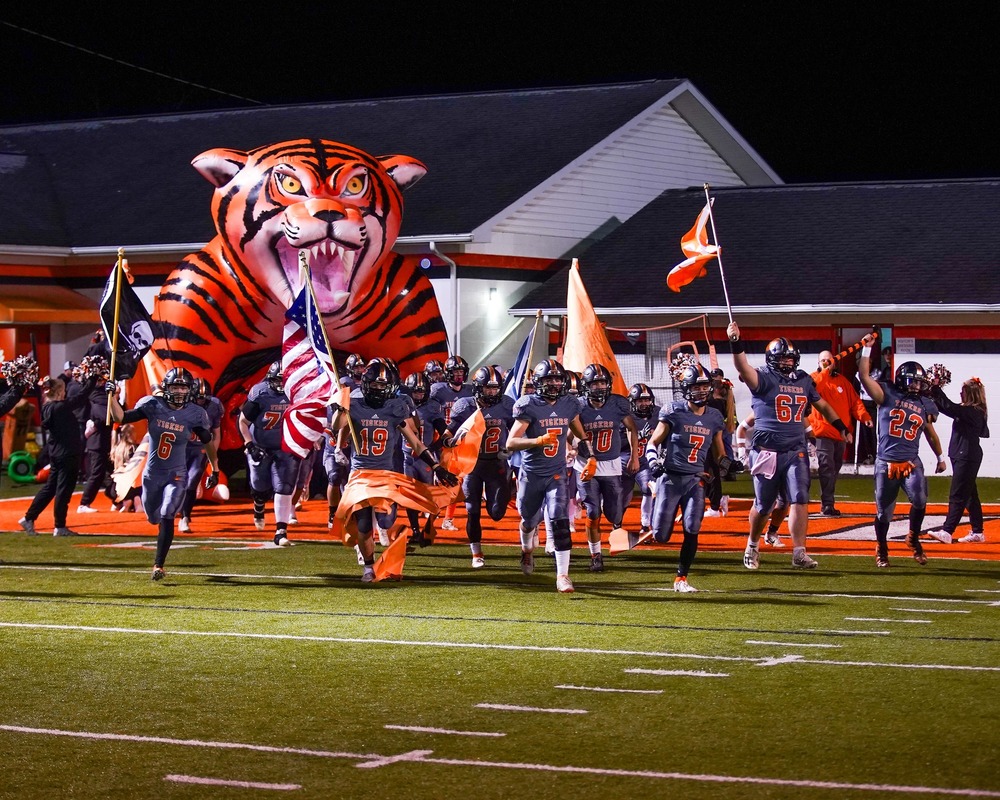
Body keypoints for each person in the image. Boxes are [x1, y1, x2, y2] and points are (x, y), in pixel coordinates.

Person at [727, 322, 854, 571]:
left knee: (800, 499)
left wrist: (840, 425)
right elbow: (742, 366)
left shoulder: (803, 380)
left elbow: (823, 405)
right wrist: (735, 341)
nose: (787, 362)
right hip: (766, 450)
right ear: (772, 359)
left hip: (796, 449)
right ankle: (752, 544)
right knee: (764, 505)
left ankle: (799, 552)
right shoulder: (763, 377)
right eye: (783, 358)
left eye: (790, 358)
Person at [329, 359, 458, 581]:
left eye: (383, 385)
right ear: (366, 384)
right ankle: (369, 567)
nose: (379, 389)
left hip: (385, 475)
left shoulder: (395, 408)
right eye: (375, 385)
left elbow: (416, 443)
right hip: (360, 475)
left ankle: (399, 538)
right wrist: (341, 407)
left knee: (386, 521)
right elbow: (336, 426)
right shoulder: (354, 405)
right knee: (363, 526)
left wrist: (436, 467)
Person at [107, 367, 219, 579]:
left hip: (176, 474)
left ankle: (158, 565)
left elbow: (208, 441)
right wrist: (112, 397)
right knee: (153, 518)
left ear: (190, 389)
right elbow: (120, 417)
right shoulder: (152, 405)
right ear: (166, 387)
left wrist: (215, 467)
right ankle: (159, 550)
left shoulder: (195, 413)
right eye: (175, 387)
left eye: (183, 387)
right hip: (152, 475)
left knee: (168, 513)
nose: (179, 391)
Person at [628, 363, 728, 592]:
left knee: (692, 527)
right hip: (670, 479)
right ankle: (656, 505)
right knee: (661, 535)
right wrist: (653, 462)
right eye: (696, 387)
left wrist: (729, 464)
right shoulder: (673, 411)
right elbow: (652, 442)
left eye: (704, 386)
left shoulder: (714, 416)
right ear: (686, 388)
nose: (701, 391)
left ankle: (681, 578)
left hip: (695, 480)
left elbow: (719, 453)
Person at [506, 359, 593, 594]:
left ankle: (562, 575)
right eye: (549, 379)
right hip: (531, 474)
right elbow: (511, 442)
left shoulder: (569, 404)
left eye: (557, 379)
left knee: (559, 519)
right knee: (529, 521)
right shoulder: (528, 405)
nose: (554, 383)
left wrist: (591, 456)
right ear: (538, 382)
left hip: (556, 472)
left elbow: (580, 433)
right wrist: (537, 441)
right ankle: (527, 551)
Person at [858, 342, 946, 567]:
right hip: (886, 463)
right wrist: (867, 349)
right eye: (913, 381)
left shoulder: (924, 403)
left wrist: (940, 457)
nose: (917, 385)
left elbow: (930, 433)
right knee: (884, 513)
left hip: (911, 462)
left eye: (919, 381)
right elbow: (864, 375)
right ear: (902, 379)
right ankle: (882, 547)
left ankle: (913, 538)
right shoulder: (886, 393)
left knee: (920, 500)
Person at [447, 365, 516, 568]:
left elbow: (517, 431)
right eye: (488, 388)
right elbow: (450, 430)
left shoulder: (506, 404)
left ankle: (491, 496)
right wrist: (447, 440)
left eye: (495, 388)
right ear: (478, 387)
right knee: (472, 510)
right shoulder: (465, 405)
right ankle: (476, 553)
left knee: (497, 513)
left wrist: (510, 448)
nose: (492, 392)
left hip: (496, 463)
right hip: (473, 465)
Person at [573, 363, 639, 571]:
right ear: (586, 385)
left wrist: (635, 456)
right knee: (593, 512)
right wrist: (569, 448)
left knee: (614, 515)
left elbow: (632, 428)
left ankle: (615, 528)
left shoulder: (618, 404)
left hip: (612, 465)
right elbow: (568, 432)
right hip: (586, 465)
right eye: (595, 383)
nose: (600, 387)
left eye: (603, 383)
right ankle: (596, 555)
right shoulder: (578, 406)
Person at [18, 369, 97, 536]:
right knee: (63, 490)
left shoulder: (47, 408)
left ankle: (29, 518)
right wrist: (93, 377)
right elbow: (81, 397)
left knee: (50, 488)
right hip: (67, 453)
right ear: (60, 391)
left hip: (56, 453)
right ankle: (59, 526)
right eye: (64, 390)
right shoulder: (60, 407)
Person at [238, 361, 299, 546]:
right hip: (261, 446)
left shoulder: (296, 392)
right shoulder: (261, 393)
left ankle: (281, 531)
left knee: (284, 486)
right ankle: (258, 504)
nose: (281, 384)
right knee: (260, 486)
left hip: (284, 446)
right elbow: (243, 421)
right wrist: (250, 445)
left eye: (284, 380)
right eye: (278, 380)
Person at [807, 349, 873, 517]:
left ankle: (827, 500)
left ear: (834, 362)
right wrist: (824, 372)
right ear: (818, 362)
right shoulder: (814, 378)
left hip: (841, 433)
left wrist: (864, 416)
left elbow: (855, 402)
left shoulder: (843, 381)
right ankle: (827, 504)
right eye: (823, 360)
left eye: (829, 360)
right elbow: (814, 391)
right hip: (821, 431)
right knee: (827, 467)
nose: (826, 362)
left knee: (835, 468)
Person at [928, 375, 989, 543]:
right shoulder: (969, 410)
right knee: (970, 495)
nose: (960, 394)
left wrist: (936, 388)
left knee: (957, 495)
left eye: (963, 391)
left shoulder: (974, 411)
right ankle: (977, 532)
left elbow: (949, 407)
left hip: (967, 456)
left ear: (970, 393)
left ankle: (947, 531)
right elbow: (946, 407)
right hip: (963, 455)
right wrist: (931, 392)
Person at [401, 370, 448, 546]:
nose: (419, 395)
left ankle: (428, 528)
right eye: (415, 392)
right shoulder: (400, 404)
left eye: (422, 392)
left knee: (428, 497)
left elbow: (441, 426)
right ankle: (415, 530)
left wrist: (444, 438)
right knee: (410, 495)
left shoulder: (432, 407)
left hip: (425, 457)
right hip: (407, 457)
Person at [430, 355, 473, 531]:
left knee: (457, 480)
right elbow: (431, 414)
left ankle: (448, 518)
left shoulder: (470, 391)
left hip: (463, 441)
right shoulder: (437, 390)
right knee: (441, 480)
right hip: (442, 440)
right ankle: (431, 512)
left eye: (461, 371)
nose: (458, 375)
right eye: (455, 371)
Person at [736, 411, 790, 547]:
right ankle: (753, 539)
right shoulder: (763, 409)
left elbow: (808, 430)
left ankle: (772, 533)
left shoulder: (792, 410)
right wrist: (742, 451)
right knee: (763, 502)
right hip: (764, 456)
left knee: (784, 501)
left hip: (786, 456)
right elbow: (741, 428)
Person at [177, 377, 223, 532]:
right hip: (182, 449)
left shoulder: (214, 406)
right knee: (177, 483)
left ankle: (185, 517)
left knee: (192, 482)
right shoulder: (181, 405)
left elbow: (216, 434)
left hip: (200, 450)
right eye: (198, 398)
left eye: (204, 399)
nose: (201, 402)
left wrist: (212, 456)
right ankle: (175, 510)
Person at [619, 383, 660, 539]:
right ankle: (617, 523)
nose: (644, 403)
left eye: (647, 400)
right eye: (640, 401)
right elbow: (618, 443)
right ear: (632, 402)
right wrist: (638, 436)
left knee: (648, 488)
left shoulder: (658, 414)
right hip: (625, 461)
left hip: (645, 462)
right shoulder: (624, 417)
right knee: (622, 498)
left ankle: (645, 525)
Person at [77, 356, 114, 513]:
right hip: (98, 442)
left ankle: (117, 498)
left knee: (111, 473)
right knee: (97, 474)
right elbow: (105, 416)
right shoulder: (97, 397)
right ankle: (84, 504)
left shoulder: (98, 396)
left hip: (102, 441)